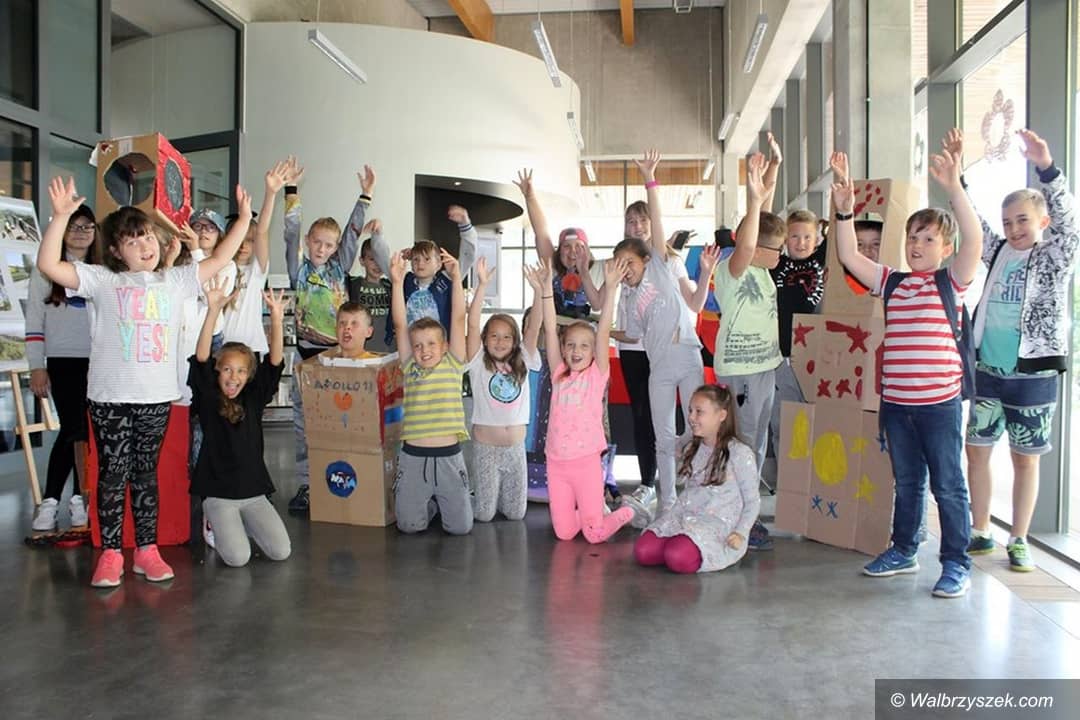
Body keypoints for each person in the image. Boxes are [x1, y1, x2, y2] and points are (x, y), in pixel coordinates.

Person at [37, 176, 252, 588]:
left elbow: (222, 257)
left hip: (155, 398)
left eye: (148, 236)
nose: (145, 245)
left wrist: (243, 219)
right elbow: (49, 266)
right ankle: (111, 554)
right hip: (109, 398)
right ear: (116, 251)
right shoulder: (102, 279)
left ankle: (147, 551)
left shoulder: (174, 280)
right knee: (113, 474)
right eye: (133, 241)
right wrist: (61, 217)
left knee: (146, 474)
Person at [833, 136, 983, 599]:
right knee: (908, 482)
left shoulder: (951, 281)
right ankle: (903, 549)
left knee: (949, 487)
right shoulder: (892, 282)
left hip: (939, 406)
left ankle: (956, 563)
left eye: (928, 238)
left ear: (946, 247)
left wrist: (954, 188)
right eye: (912, 237)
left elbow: (975, 239)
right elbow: (848, 256)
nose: (917, 245)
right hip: (897, 406)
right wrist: (844, 213)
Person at [957, 128, 1079, 572]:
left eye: (1022, 220)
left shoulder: (1055, 256)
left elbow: (1070, 223)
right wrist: (957, 181)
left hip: (1034, 375)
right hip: (988, 370)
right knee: (977, 450)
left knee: (1025, 460)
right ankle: (981, 529)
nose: (1013, 229)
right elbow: (973, 223)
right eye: (1008, 222)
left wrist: (1047, 169)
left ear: (1042, 221)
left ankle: (1020, 538)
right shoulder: (998, 252)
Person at [614, 150, 716, 526]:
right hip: (658, 368)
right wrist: (598, 329)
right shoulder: (629, 296)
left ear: (645, 259)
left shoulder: (659, 266)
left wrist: (650, 181)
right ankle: (668, 504)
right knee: (664, 436)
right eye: (620, 266)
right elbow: (630, 334)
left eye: (630, 263)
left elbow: (657, 226)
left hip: (686, 356)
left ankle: (699, 495)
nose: (626, 270)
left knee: (696, 428)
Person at [284, 163, 375, 513]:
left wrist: (365, 196)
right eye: (317, 242)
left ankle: (345, 478)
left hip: (337, 357)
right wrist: (292, 193)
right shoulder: (299, 268)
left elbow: (352, 232)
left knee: (340, 421)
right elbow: (290, 233)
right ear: (309, 241)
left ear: (336, 248)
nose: (322, 249)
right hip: (305, 357)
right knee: (303, 424)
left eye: (328, 245)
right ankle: (307, 484)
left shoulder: (339, 267)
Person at [531, 257, 636, 543]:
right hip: (557, 464)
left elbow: (603, 332)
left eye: (584, 346)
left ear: (592, 352)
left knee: (594, 535)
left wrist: (611, 288)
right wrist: (545, 290)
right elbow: (550, 328)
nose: (576, 351)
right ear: (563, 349)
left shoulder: (596, 375)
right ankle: (593, 514)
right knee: (565, 533)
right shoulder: (558, 373)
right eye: (571, 345)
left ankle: (622, 514)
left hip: (586, 463)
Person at [188, 280, 291, 567]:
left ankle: (242, 523)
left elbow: (274, 363)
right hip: (219, 493)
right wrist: (212, 311)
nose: (233, 377)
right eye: (227, 370)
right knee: (237, 557)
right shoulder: (209, 396)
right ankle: (213, 520)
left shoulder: (253, 398)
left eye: (241, 372)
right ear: (217, 371)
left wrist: (277, 319)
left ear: (248, 376)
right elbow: (201, 358)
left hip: (253, 491)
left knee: (281, 551)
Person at [711, 153, 784, 550]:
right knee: (743, 442)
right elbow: (752, 239)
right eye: (776, 249)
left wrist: (772, 170)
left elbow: (763, 224)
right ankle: (740, 514)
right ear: (754, 249)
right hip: (740, 370)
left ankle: (748, 511)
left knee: (756, 443)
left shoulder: (761, 267)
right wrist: (753, 200)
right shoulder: (733, 268)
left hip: (765, 367)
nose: (780, 255)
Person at [389, 247, 473, 535]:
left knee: (460, 528)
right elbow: (400, 325)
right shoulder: (410, 366)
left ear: (445, 346)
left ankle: (447, 500)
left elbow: (458, 319)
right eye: (418, 345)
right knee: (409, 526)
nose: (424, 351)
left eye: (431, 344)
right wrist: (397, 282)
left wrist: (457, 278)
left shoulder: (453, 363)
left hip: (449, 458)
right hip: (413, 458)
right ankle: (431, 503)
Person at [26, 205, 99, 531]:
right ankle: (52, 500)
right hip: (62, 360)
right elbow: (33, 320)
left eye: (87, 227)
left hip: (99, 361)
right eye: (74, 226)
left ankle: (78, 498)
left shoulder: (102, 269)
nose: (81, 233)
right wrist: (36, 366)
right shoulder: (46, 268)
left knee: (88, 431)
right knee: (73, 429)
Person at [634, 384, 759, 573]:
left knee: (676, 556)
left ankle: (687, 547)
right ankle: (678, 543)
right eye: (690, 411)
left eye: (699, 412)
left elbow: (752, 501)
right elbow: (685, 483)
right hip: (686, 515)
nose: (691, 418)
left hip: (717, 523)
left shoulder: (740, 453)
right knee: (643, 551)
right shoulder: (693, 447)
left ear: (721, 415)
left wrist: (740, 533)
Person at [467, 257, 542, 522]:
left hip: (515, 450)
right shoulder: (478, 362)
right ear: (485, 340)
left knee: (515, 514)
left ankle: (495, 493)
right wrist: (482, 286)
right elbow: (472, 324)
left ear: (515, 341)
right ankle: (465, 496)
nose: (500, 341)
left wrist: (538, 290)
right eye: (494, 336)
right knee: (484, 514)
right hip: (486, 448)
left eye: (507, 336)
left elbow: (534, 326)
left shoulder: (523, 359)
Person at [767, 206, 826, 488]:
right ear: (784, 239)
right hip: (783, 357)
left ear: (817, 239)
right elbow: (761, 235)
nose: (801, 243)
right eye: (794, 236)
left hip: (816, 357)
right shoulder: (777, 265)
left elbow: (842, 236)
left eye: (807, 237)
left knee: (817, 423)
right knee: (784, 423)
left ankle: (817, 484)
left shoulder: (822, 261)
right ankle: (790, 486)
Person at [379, 206, 477, 347]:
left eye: (427, 259)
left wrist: (465, 225)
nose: (420, 264)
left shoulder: (448, 279)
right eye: (416, 259)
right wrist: (377, 236)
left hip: (439, 348)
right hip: (407, 346)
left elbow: (468, 256)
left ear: (439, 263)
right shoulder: (403, 280)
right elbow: (384, 262)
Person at [348, 221, 394, 353]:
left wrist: (378, 233)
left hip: (388, 350)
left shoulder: (390, 285)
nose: (377, 265)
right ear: (362, 261)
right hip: (362, 350)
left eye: (380, 260)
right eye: (372, 259)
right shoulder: (354, 284)